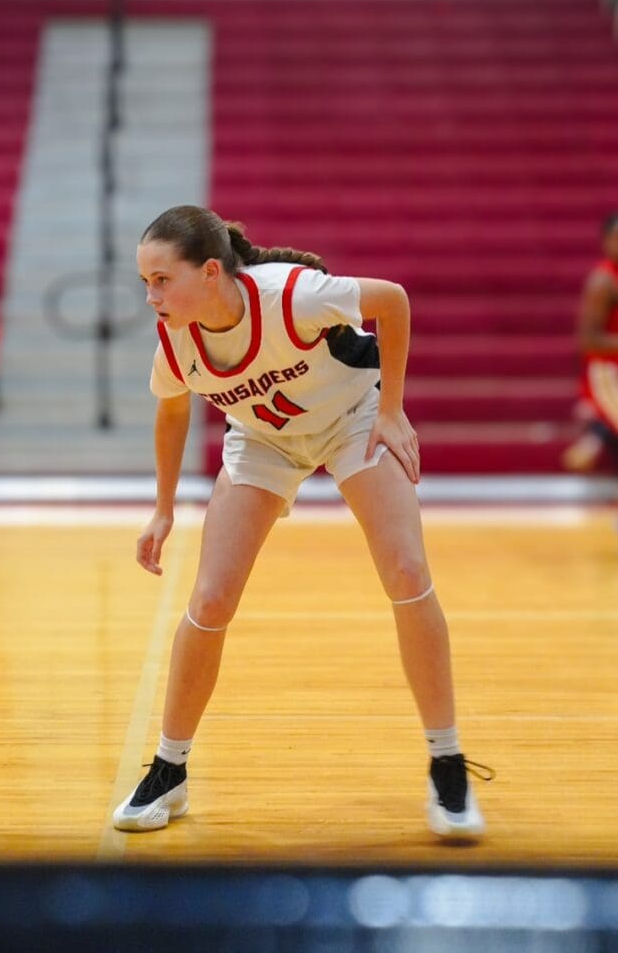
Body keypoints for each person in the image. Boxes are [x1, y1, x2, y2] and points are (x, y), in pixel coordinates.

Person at [113, 205, 493, 840]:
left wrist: (391, 409)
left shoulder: (292, 294)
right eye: (145, 282)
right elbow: (172, 410)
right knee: (209, 598)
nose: (151, 295)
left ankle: (446, 763)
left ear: (210, 272)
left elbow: (392, 301)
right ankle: (169, 770)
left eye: (160, 279)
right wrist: (162, 506)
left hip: (351, 420)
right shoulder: (177, 334)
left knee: (406, 570)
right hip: (263, 441)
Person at [561, 213, 618, 472]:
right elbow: (589, 340)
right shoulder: (603, 282)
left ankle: (595, 437)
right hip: (606, 372)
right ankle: (595, 434)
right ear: (606, 241)